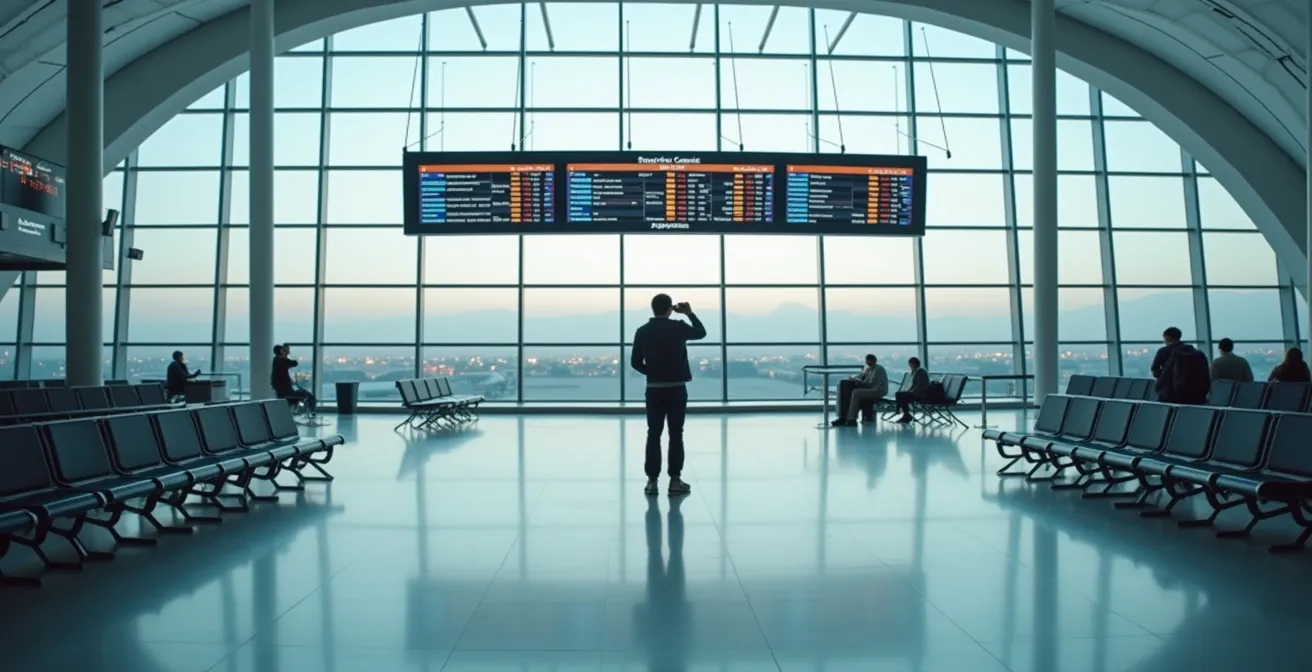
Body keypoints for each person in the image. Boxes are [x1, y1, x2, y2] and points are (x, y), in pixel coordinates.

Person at [630, 293, 707, 497]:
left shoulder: (642, 331)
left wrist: (652, 372)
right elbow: (701, 333)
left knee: (653, 433)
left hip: (654, 388)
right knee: (676, 434)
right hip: (676, 388)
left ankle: (652, 482)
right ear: (669, 309)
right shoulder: (678, 327)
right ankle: (675, 481)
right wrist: (689, 313)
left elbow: (635, 362)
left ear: (652, 308)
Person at [1151, 326, 1210, 404]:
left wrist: (1164, 376)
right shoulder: (1194, 352)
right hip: (1195, 394)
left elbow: (1155, 371)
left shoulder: (1163, 351)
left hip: (1169, 394)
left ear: (1167, 338)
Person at [832, 354, 889, 427]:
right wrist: (855, 379)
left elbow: (871, 383)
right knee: (849, 389)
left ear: (874, 361)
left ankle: (851, 418)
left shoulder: (878, 369)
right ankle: (845, 417)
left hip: (877, 391)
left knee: (856, 393)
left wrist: (860, 382)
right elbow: (861, 376)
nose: (868, 363)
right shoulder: (868, 368)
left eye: (869, 362)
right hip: (871, 389)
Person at [272, 344, 316, 414]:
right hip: (288, 392)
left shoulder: (275, 360)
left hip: (283, 392)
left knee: (302, 395)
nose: (285, 351)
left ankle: (303, 410)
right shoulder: (281, 360)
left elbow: (286, 366)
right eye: (283, 350)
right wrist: (287, 355)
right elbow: (294, 363)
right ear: (280, 351)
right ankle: (310, 412)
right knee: (309, 396)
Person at [893, 357, 931, 424]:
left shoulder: (921, 373)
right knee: (899, 394)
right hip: (917, 393)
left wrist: (911, 392)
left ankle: (902, 413)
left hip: (920, 394)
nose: (910, 367)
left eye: (910, 365)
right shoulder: (918, 372)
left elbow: (920, 386)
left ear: (914, 364)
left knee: (900, 395)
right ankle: (904, 413)